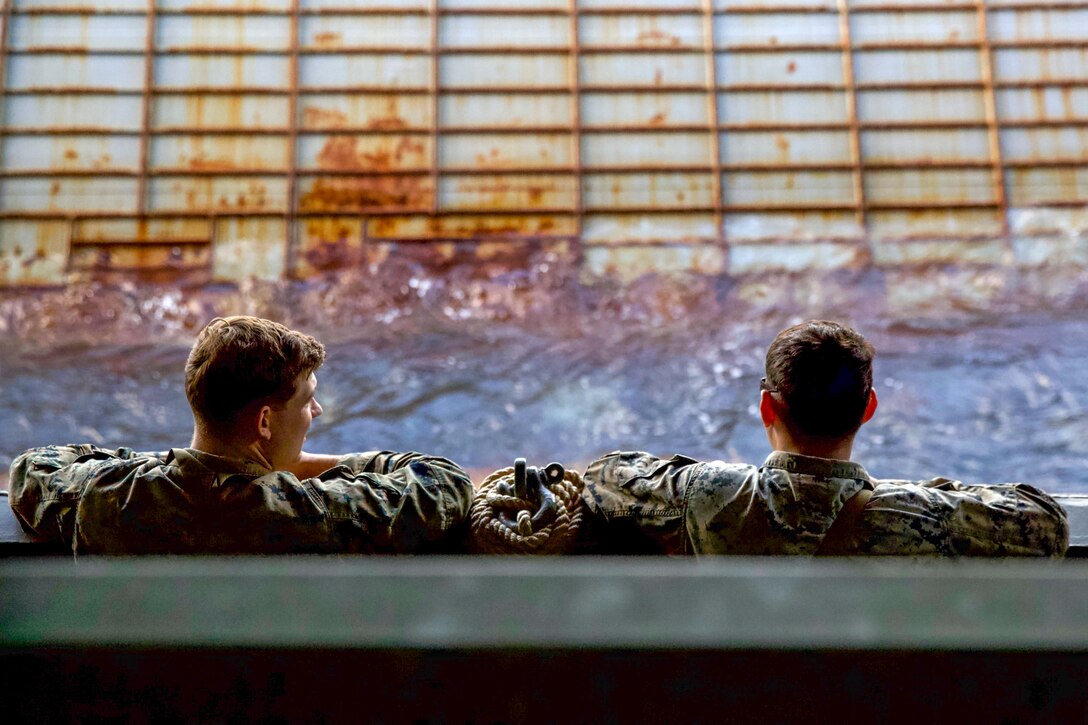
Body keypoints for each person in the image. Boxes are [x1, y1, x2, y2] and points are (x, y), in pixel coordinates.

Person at [580, 320, 1069, 556]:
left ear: (767, 407)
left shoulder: (709, 496)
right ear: (869, 408)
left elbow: (603, 477)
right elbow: (1049, 525)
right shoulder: (917, 515)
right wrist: (935, 494)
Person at [8, 316, 474, 554]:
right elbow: (444, 484)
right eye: (307, 398)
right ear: (265, 423)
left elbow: (34, 467)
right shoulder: (307, 513)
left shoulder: (106, 497)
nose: (317, 410)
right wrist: (307, 465)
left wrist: (181, 464)